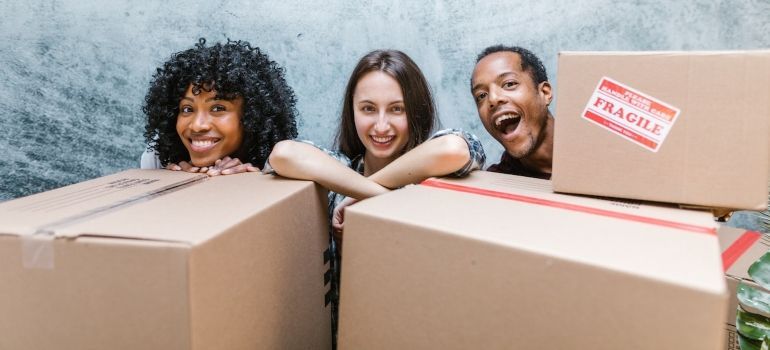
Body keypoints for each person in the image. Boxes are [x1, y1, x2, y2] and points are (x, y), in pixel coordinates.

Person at [266, 49, 485, 347]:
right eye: (368, 109)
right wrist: (374, 194)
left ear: (416, 111)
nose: (381, 126)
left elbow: (454, 150)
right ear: (352, 111)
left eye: (397, 109)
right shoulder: (337, 174)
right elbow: (284, 154)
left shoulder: (433, 182)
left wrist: (372, 197)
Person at [141, 38, 298, 175]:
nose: (197, 126)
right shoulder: (158, 159)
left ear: (252, 117)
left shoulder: (291, 159)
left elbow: (286, 154)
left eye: (218, 108)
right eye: (187, 109)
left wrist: (259, 175)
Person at [471, 45, 553, 179]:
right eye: (481, 95)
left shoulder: (595, 142)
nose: (493, 99)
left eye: (509, 84)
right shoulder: (496, 185)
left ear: (544, 93)